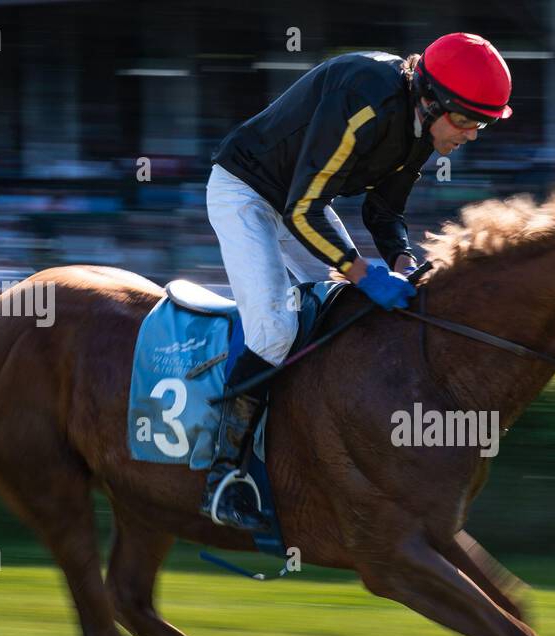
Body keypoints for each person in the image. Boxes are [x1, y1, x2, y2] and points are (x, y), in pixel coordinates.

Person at [202, 33, 514, 531]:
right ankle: (224, 474)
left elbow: (384, 209)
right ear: (431, 100)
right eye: (466, 120)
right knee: (276, 331)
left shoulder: (420, 123)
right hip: (246, 192)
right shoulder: (367, 97)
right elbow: (301, 209)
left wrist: (403, 259)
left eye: (482, 124)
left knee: (348, 314)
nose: (471, 134)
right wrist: (363, 271)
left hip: (298, 204)